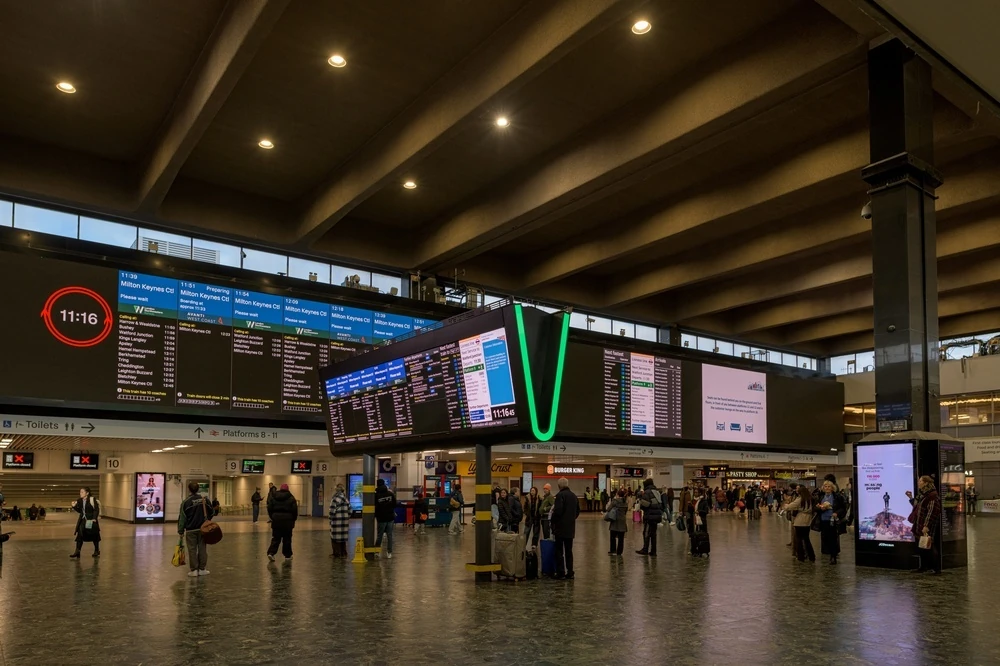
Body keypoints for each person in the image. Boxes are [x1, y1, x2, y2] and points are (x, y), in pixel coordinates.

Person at [177, 481, 213, 576]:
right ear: (198, 489)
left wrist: (181, 531)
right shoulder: (205, 500)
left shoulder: (186, 502)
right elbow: (212, 512)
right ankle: (202, 569)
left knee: (192, 549)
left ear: (189, 489)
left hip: (190, 530)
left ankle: (194, 570)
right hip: (203, 529)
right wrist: (207, 520)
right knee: (202, 548)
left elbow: (182, 518)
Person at [912, 475, 943, 574]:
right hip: (919, 525)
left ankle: (936, 569)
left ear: (925, 483)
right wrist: (910, 498)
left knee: (929, 546)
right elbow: (918, 508)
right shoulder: (923, 495)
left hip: (925, 526)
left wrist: (926, 526)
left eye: (920, 481)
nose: (918, 483)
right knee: (922, 546)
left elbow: (932, 512)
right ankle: (924, 566)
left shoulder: (932, 496)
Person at [551, 478, 579, 579]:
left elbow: (558, 511)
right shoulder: (574, 496)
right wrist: (571, 519)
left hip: (560, 527)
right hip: (570, 527)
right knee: (569, 550)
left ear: (559, 486)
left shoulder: (560, 496)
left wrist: (553, 521)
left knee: (559, 551)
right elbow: (577, 511)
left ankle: (561, 572)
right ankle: (570, 571)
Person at [816, 479, 847, 564]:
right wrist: (820, 508)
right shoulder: (821, 496)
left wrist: (837, 513)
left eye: (829, 486)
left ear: (832, 488)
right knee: (825, 538)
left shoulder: (837, 497)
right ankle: (829, 552)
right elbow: (816, 508)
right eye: (825, 486)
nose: (827, 488)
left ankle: (833, 556)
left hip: (832, 520)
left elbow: (843, 508)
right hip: (823, 520)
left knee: (833, 538)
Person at [266, 484, 298, 561]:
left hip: (276, 520)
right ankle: (287, 556)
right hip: (288, 521)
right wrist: (293, 519)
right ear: (288, 489)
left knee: (276, 538)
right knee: (287, 538)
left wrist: (272, 516)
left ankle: (271, 553)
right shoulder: (291, 497)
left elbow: (269, 507)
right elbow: (294, 510)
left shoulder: (274, 497)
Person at [784, 485, 816, 562]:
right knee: (807, 539)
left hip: (800, 520)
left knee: (799, 539)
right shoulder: (810, 499)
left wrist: (786, 506)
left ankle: (800, 557)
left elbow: (790, 506)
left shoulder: (800, 499)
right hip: (808, 521)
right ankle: (811, 556)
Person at [70, 488, 102, 559]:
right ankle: (77, 551)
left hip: (90, 520)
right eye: (80, 492)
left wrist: (94, 518)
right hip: (82, 520)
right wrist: (74, 506)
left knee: (94, 535)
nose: (80, 493)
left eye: (82, 492)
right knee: (80, 535)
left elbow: (96, 509)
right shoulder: (79, 501)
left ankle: (97, 550)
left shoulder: (92, 499)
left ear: (87, 493)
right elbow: (80, 511)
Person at [635, 478, 663, 556]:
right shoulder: (656, 492)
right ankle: (653, 551)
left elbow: (646, 504)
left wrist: (640, 501)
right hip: (657, 515)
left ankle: (645, 549)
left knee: (646, 533)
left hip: (649, 516)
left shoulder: (647, 492)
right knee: (653, 534)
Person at [373, 479, 396, 559]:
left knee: (380, 535)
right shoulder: (390, 493)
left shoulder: (376, 495)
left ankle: (377, 551)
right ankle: (389, 552)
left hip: (381, 518)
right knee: (389, 535)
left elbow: (374, 507)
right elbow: (395, 504)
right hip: (390, 517)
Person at [329, 484, 351, 557]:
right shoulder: (346, 499)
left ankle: (337, 553)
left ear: (336, 490)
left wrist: (330, 519)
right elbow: (350, 510)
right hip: (345, 522)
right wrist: (346, 517)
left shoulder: (335, 499)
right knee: (343, 538)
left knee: (335, 538)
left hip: (336, 522)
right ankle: (344, 553)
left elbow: (332, 511)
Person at [607, 489, 628, 556]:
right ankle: (619, 552)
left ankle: (613, 550)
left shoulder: (615, 501)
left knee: (612, 537)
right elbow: (625, 512)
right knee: (621, 538)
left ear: (618, 495)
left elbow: (608, 509)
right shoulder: (625, 502)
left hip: (615, 521)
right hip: (622, 521)